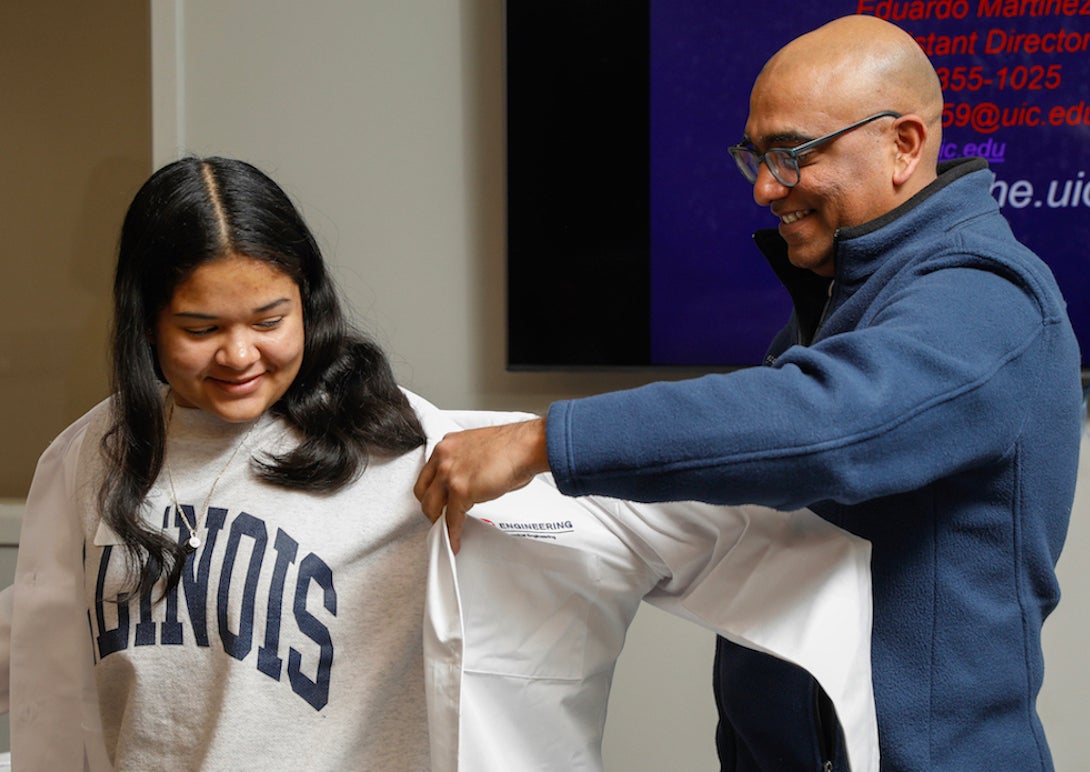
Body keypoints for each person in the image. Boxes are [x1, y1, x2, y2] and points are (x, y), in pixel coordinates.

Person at [0, 155, 882, 771]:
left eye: (269, 319)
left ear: (309, 302)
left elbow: (703, 520)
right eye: (201, 329)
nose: (239, 354)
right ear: (145, 321)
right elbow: (51, 675)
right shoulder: (90, 459)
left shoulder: (402, 449)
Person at [415, 14, 1084, 771]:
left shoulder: (989, 298)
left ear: (904, 145)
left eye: (792, 154)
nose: (767, 187)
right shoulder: (841, 305)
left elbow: (831, 424)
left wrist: (542, 442)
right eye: (757, 156)